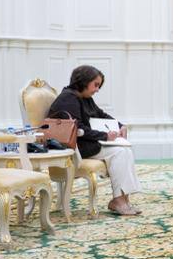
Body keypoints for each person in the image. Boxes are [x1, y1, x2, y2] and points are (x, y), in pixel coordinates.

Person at [46, 65, 143, 216]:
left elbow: (101, 115)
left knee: (125, 149)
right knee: (120, 152)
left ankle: (123, 199)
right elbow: (78, 129)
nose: (97, 89)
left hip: (85, 142)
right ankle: (119, 200)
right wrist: (105, 136)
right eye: (95, 85)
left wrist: (120, 125)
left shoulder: (85, 98)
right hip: (75, 147)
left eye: (99, 85)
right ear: (84, 81)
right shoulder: (68, 99)